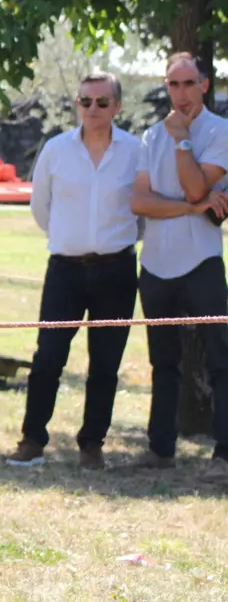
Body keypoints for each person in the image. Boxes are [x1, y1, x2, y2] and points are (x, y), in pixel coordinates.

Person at [5, 70, 142, 470]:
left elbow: (143, 213)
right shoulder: (56, 149)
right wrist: (71, 240)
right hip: (65, 269)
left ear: (117, 106)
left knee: (105, 363)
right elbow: (41, 207)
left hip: (117, 269)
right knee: (48, 356)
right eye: (85, 101)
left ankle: (91, 445)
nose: (93, 109)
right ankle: (32, 439)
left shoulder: (135, 151)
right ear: (76, 104)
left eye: (102, 102)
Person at [130, 52, 228, 478]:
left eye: (189, 83)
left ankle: (224, 453)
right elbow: (139, 201)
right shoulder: (150, 137)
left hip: (202, 261)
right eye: (174, 84)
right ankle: (160, 450)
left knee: (220, 359)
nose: (182, 93)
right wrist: (191, 208)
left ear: (204, 85)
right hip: (154, 265)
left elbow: (193, 187)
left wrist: (182, 139)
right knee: (162, 361)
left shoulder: (219, 131)